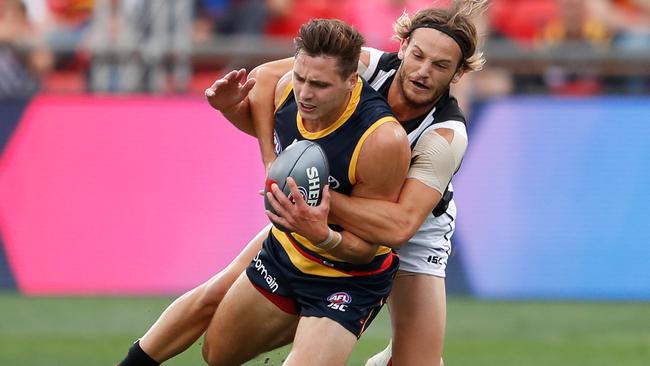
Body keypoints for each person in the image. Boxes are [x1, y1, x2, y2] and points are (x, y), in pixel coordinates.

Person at [117, 1, 485, 365]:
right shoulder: (364, 65)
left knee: (417, 363)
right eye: (418, 55)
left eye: (439, 66)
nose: (422, 71)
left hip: (416, 228)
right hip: (331, 200)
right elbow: (265, 81)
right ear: (402, 46)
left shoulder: (445, 136)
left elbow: (401, 226)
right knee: (217, 292)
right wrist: (272, 162)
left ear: (456, 74)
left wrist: (306, 192)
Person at [200, 18, 411, 365]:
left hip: (350, 277)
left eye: (319, 84)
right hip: (292, 250)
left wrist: (323, 232)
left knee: (418, 353)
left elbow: (375, 240)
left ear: (351, 81)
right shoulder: (288, 91)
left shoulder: (385, 138)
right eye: (300, 78)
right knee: (217, 354)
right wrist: (265, 151)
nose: (305, 93)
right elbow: (265, 78)